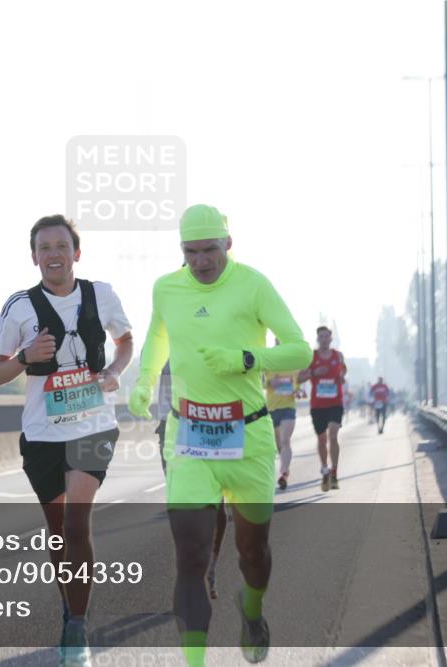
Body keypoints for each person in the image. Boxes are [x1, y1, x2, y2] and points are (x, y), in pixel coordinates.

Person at [128, 204, 310, 665]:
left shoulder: (253, 285)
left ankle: (252, 608)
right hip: (189, 433)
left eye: (210, 249)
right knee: (190, 556)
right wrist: (145, 383)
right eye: (191, 251)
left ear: (228, 244)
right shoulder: (166, 289)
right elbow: (158, 337)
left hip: (248, 436)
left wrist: (247, 359)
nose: (201, 260)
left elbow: (299, 349)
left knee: (253, 553)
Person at [0, 214, 133, 667]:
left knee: (75, 522)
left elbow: (125, 341)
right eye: (44, 247)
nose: (53, 254)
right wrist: (24, 357)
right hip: (42, 432)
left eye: (61, 245)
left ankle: (78, 626)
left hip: (92, 424)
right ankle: (70, 608)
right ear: (34, 257)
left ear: (76, 252)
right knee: (57, 532)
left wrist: (112, 372)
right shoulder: (19, 307)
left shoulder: (101, 294)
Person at [157, 361, 228, 600]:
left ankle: (210, 567)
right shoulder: (159, 340)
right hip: (171, 428)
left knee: (216, 508)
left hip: (210, 426)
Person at [298, 327, 347, 492]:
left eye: (326, 336)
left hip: (335, 403)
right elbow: (299, 377)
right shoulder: (311, 357)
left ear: (331, 339)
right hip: (318, 405)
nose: (324, 339)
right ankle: (325, 469)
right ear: (317, 338)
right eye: (321, 336)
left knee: (333, 435)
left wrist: (341, 377)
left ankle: (334, 472)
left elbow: (343, 371)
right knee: (321, 440)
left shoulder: (337, 356)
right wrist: (314, 372)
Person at [263, 340, 300, 491]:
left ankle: (283, 473)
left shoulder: (294, 363)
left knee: (285, 440)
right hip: (272, 407)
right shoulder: (269, 361)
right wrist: (271, 382)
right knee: (277, 443)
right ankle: (285, 467)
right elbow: (264, 383)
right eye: (277, 343)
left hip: (288, 406)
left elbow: (296, 384)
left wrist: (296, 390)